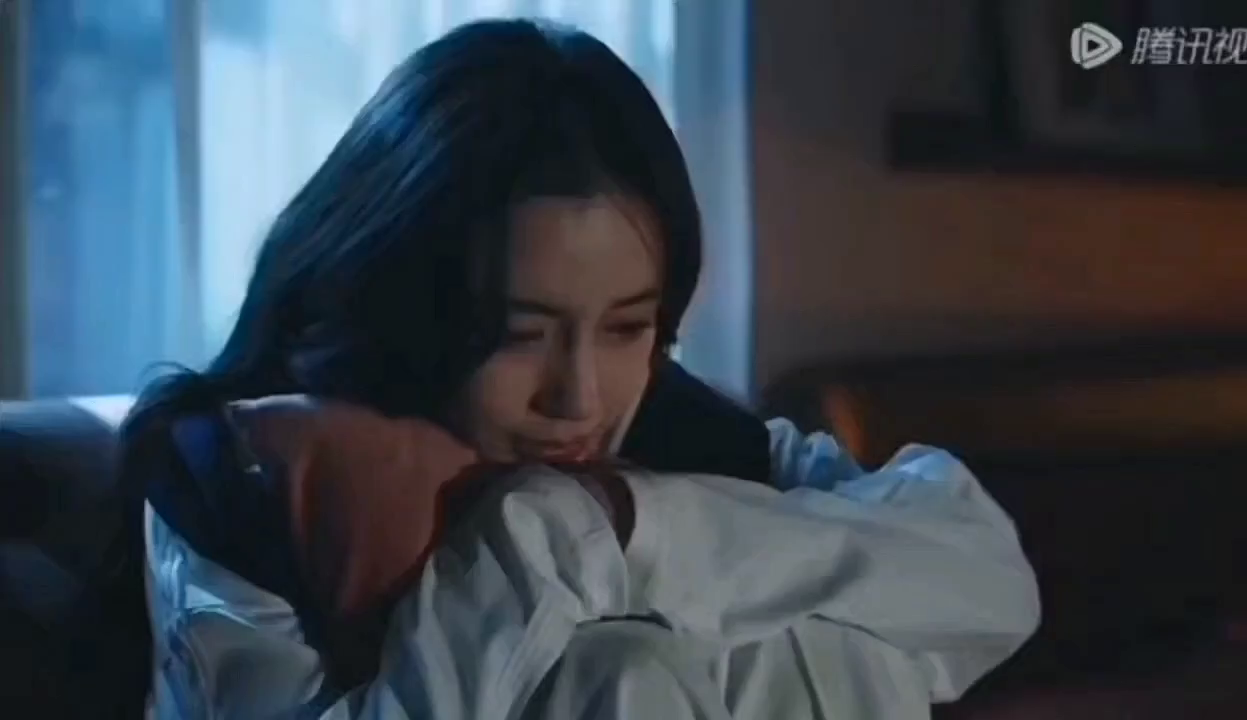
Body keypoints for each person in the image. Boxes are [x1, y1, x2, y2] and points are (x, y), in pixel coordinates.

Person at [116, 18, 1039, 720]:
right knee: (625, 670)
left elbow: (982, 578)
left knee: (840, 649)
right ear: (411, 303)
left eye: (629, 327)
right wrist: (527, 554)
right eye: (521, 334)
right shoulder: (249, 474)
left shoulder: (672, 425)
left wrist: (618, 528)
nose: (580, 397)